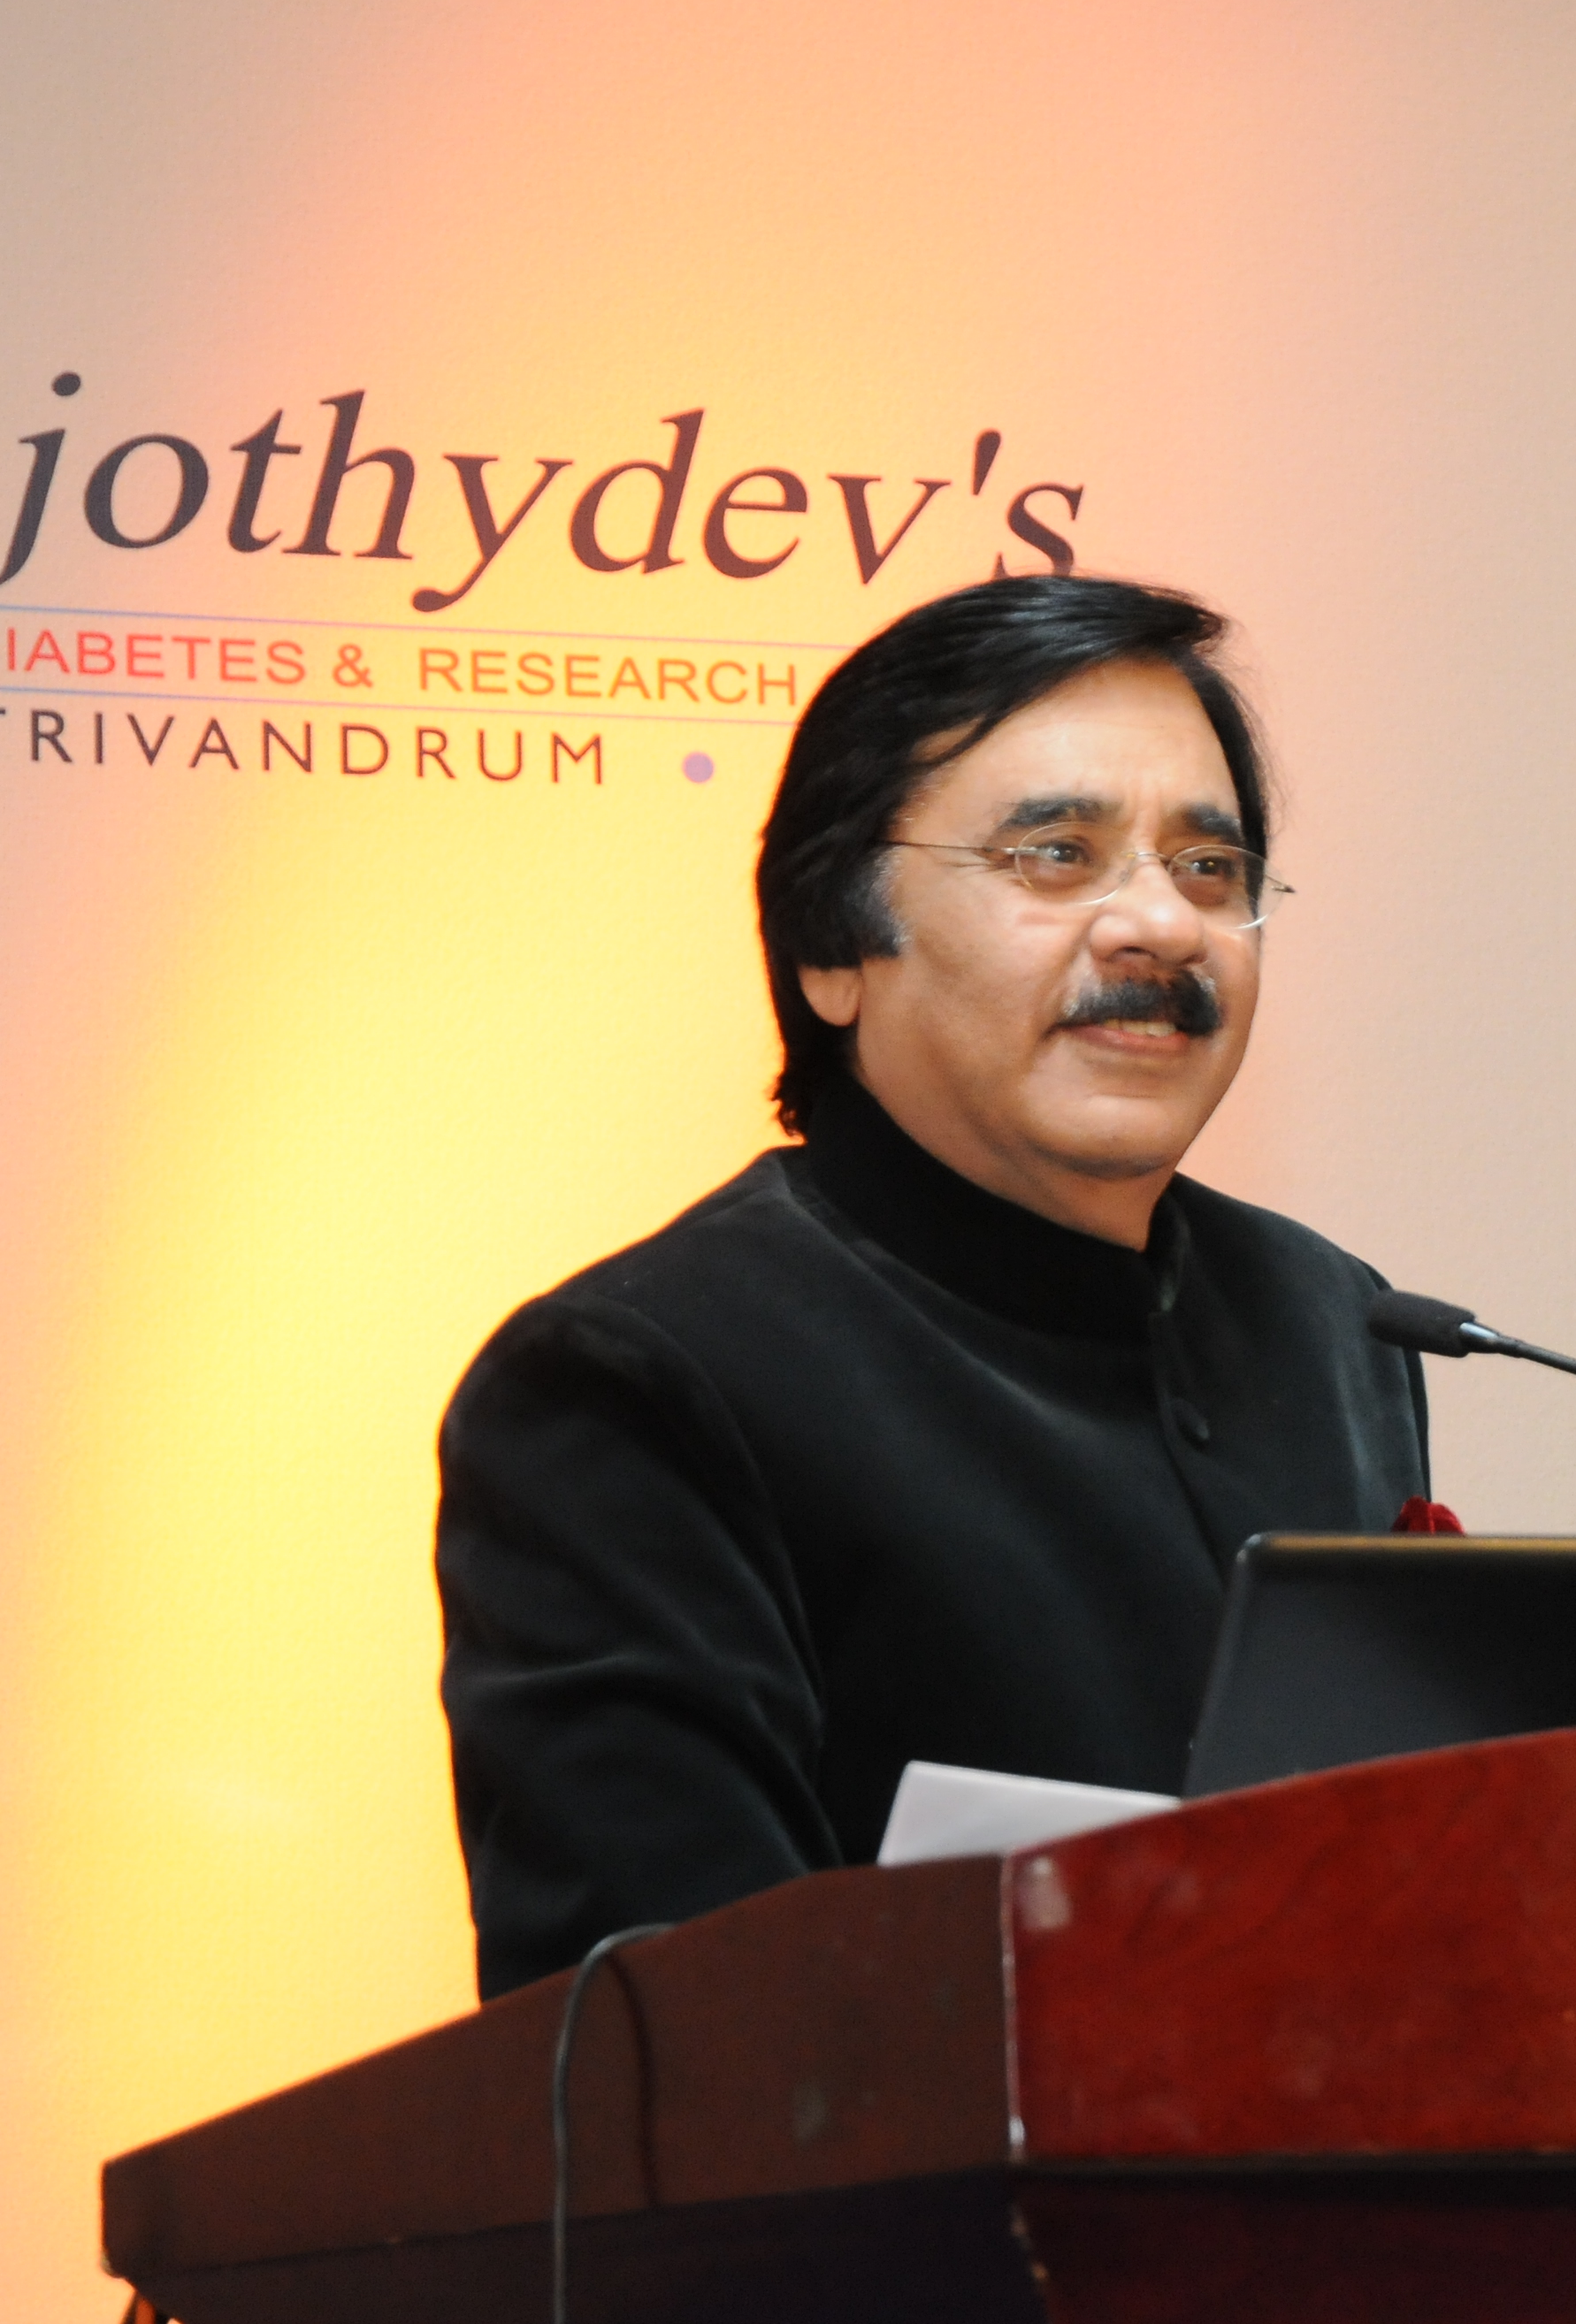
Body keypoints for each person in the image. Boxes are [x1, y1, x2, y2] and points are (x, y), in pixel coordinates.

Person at [434, 575, 1432, 1998]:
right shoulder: (640, 1378)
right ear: (834, 948)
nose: (1160, 925)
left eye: (1210, 869)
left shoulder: (1332, 1322)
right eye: (1058, 856)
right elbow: (657, 2031)